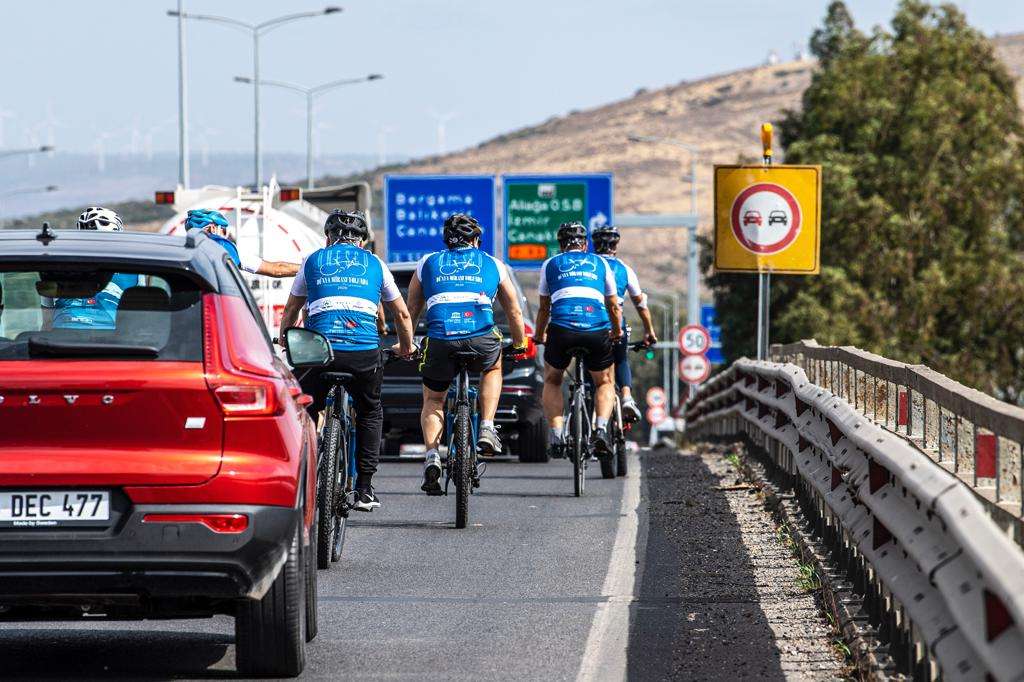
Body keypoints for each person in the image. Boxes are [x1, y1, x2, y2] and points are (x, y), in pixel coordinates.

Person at [279, 210, 415, 511]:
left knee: (304, 408)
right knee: (370, 410)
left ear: (328, 238)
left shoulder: (312, 260)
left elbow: (291, 311)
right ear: (363, 240)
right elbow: (402, 314)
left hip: (318, 352)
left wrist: (285, 340)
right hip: (363, 352)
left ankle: (302, 472)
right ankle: (365, 487)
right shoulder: (376, 264)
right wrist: (406, 347)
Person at [405, 213, 527, 495]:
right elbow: (514, 310)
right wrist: (519, 344)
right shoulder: (493, 264)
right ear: (476, 239)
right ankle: (486, 425)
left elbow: (410, 312)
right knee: (493, 367)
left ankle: (432, 456)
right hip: (481, 338)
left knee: (434, 399)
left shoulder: (427, 262)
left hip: (440, 340)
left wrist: (407, 344)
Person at [533, 222, 622, 459]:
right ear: (585, 244)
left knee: (552, 379)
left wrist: (539, 335)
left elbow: (544, 308)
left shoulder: (550, 264)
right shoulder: (601, 263)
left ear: (561, 245)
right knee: (604, 382)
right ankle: (601, 428)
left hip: (561, 329)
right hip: (596, 329)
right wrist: (616, 332)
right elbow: (613, 305)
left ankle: (556, 433)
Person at [591, 224, 658, 423]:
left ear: (594, 245)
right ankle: (627, 397)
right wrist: (649, 331)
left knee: (589, 359)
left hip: (590, 319)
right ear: (616, 245)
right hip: (614, 321)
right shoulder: (624, 269)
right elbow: (640, 303)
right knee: (621, 359)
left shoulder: (589, 264)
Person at [41, 207, 144, 330]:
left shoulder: (58, 269)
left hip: (64, 339)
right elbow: (139, 320)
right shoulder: (134, 270)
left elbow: (47, 321)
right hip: (112, 342)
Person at [184, 208, 300, 277]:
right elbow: (276, 269)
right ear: (212, 228)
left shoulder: (181, 250)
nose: (225, 234)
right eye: (223, 229)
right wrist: (307, 267)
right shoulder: (223, 246)